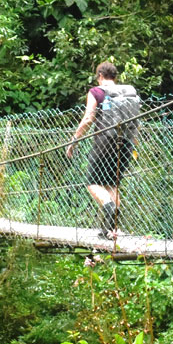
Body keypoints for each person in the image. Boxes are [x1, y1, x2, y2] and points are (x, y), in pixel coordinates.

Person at [66, 62, 141, 239]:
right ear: (115, 77)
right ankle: (113, 230)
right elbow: (136, 122)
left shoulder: (96, 92)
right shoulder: (129, 93)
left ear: (100, 75)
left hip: (104, 142)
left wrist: (74, 140)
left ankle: (108, 206)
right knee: (111, 184)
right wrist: (133, 143)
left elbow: (88, 118)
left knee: (92, 183)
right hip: (126, 143)